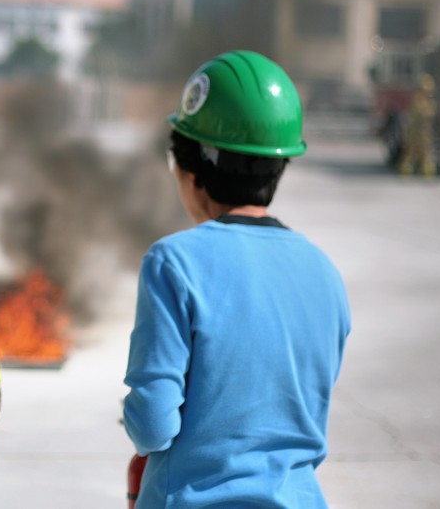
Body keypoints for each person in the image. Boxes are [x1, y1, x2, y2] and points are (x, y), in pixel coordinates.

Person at [122, 50, 350, 508]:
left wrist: (134, 411)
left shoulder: (174, 262)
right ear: (280, 164)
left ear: (191, 169)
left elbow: (152, 423)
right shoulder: (323, 269)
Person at [398, 72, 437, 178]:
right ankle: (405, 173)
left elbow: (431, 113)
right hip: (415, 132)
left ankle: (428, 175)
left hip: (424, 132)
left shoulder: (427, 100)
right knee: (410, 154)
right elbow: (421, 113)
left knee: (426, 155)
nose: (427, 91)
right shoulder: (417, 99)